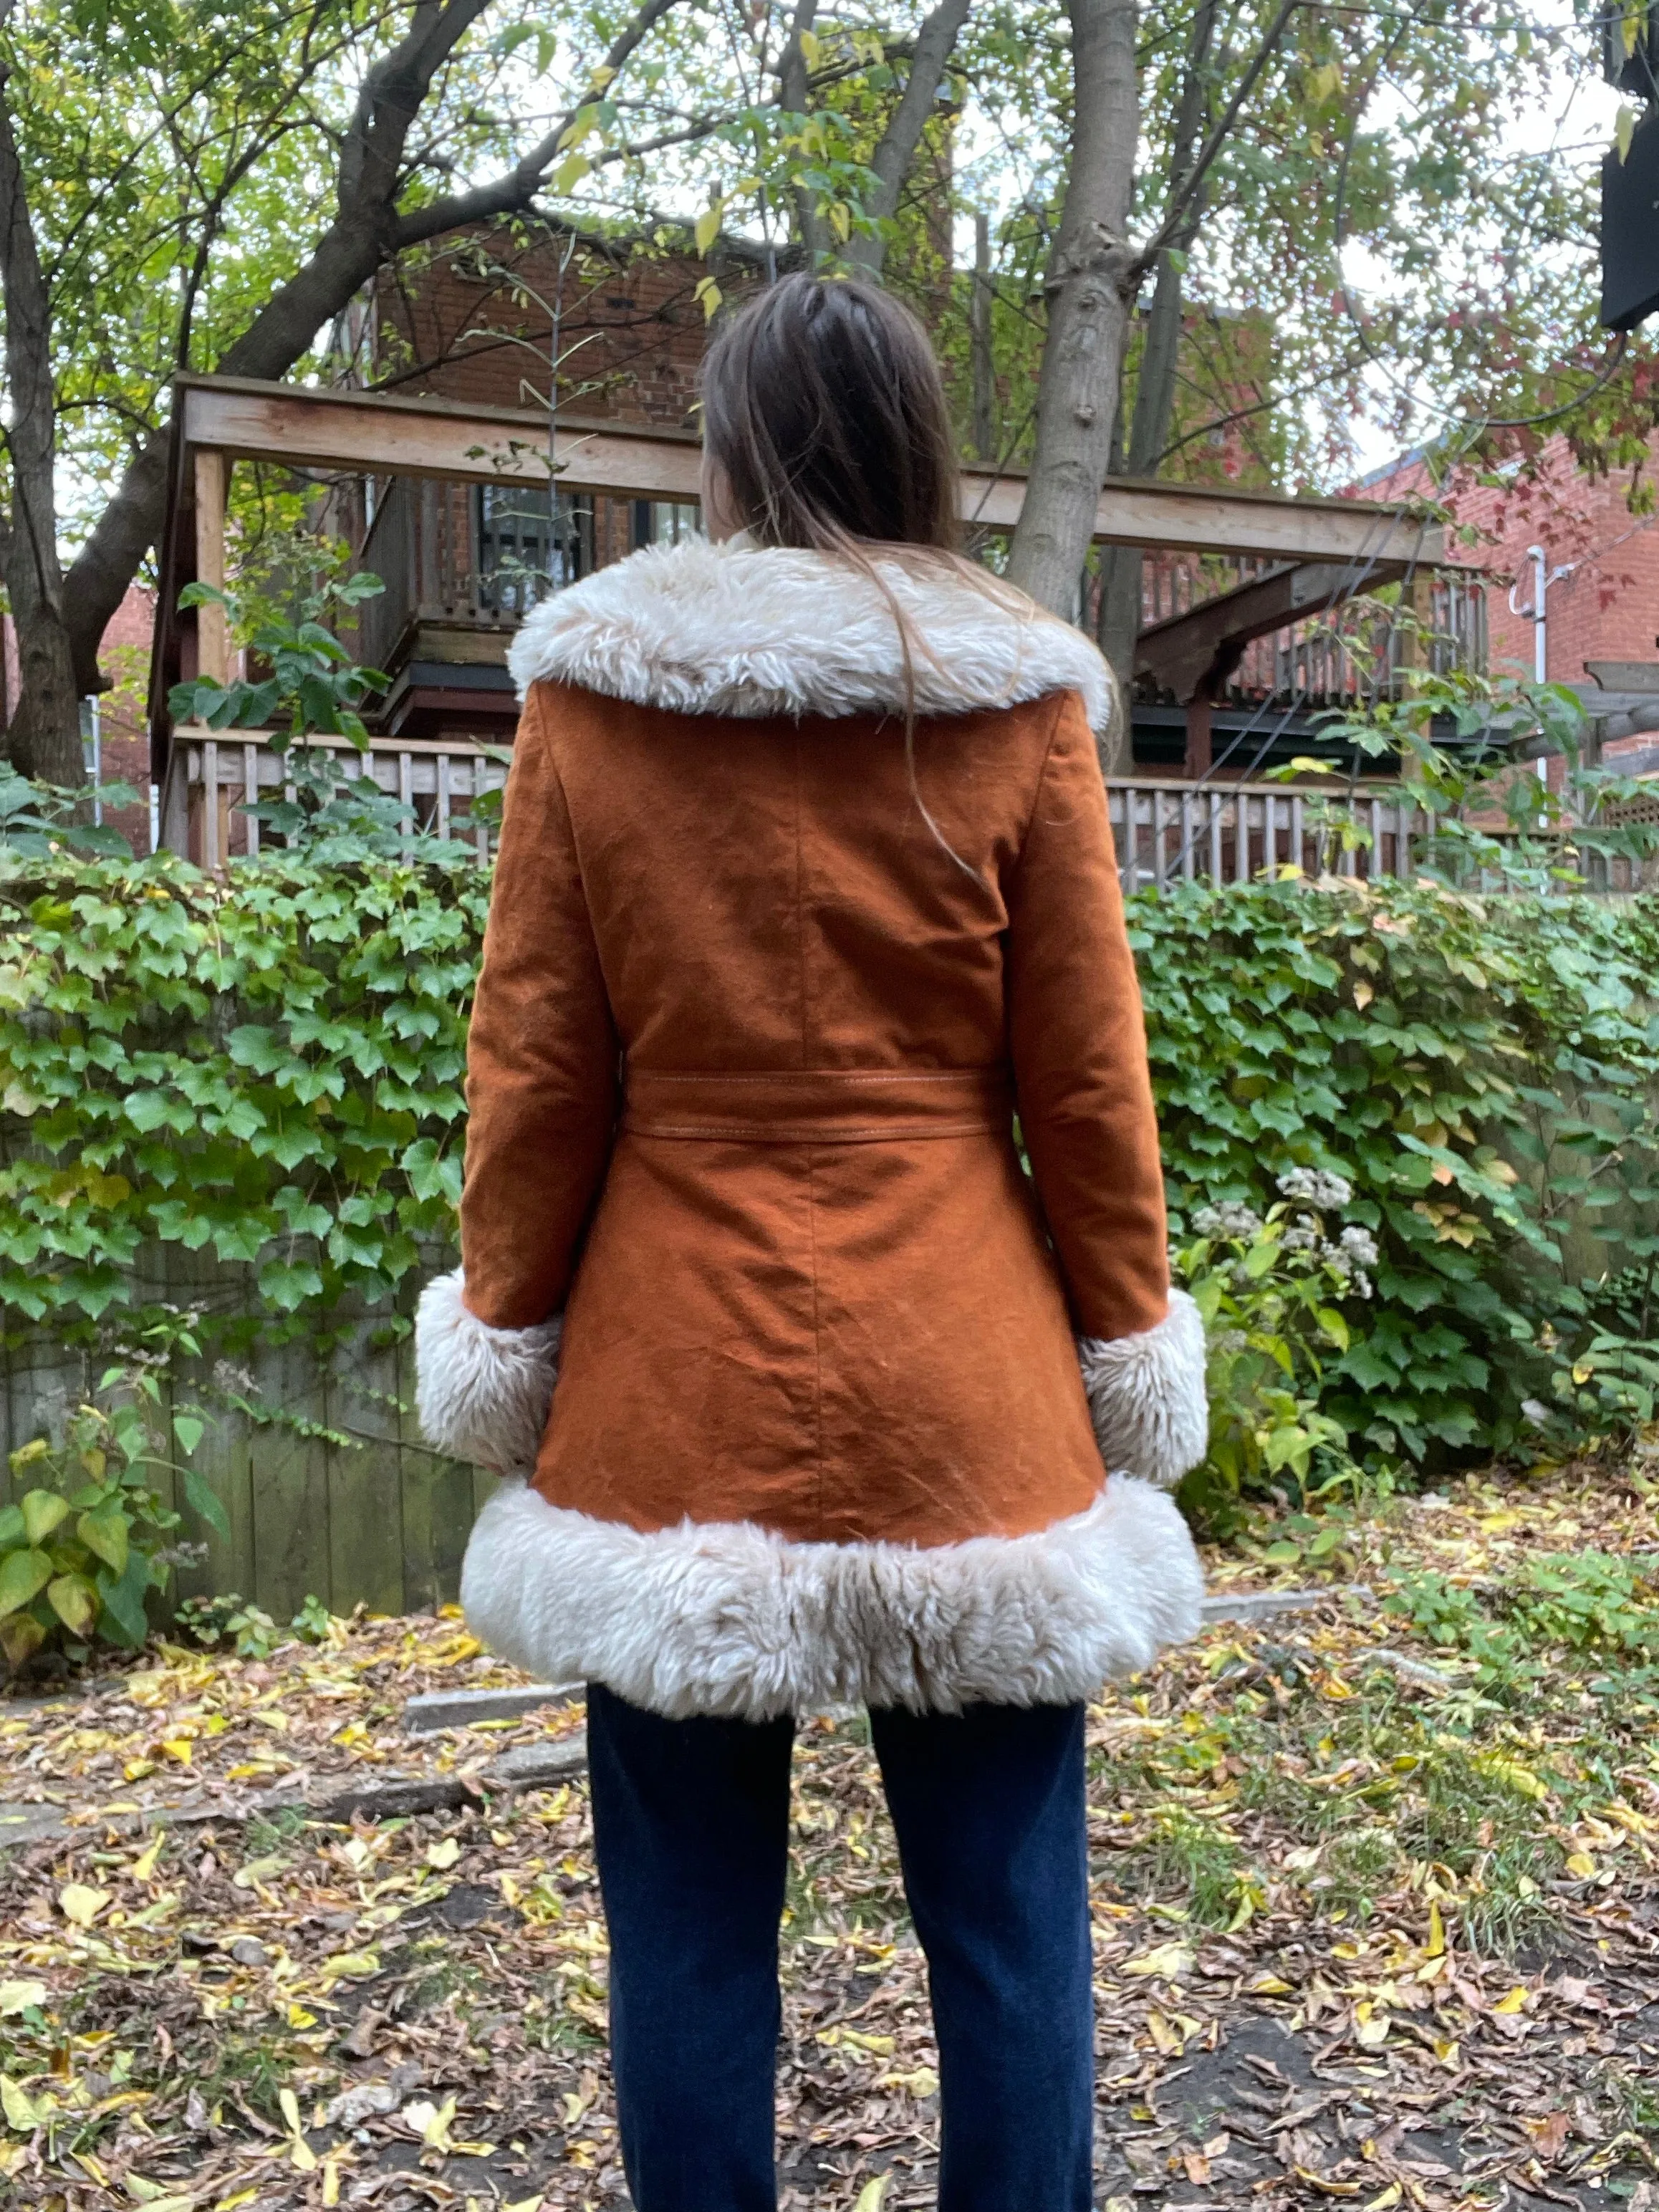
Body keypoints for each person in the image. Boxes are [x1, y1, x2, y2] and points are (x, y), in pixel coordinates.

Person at [415, 271, 1208, 2212]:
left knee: (686, 1941)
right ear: (924, 445)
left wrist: (505, 1335)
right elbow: (1088, 1091)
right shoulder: (1019, 698)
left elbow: (533, 1070)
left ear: (730, 446)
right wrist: (1128, 1352)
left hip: (674, 1395)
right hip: (971, 1388)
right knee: (1010, 1934)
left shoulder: (592, 703)